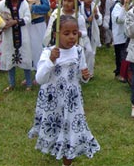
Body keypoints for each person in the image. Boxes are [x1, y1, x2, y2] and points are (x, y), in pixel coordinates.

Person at [28, 15, 100, 164]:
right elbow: (40, 78)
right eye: (66, 33)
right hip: (52, 99)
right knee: (55, 127)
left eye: (74, 33)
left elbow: (81, 76)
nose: (72, 37)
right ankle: (57, 147)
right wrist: (51, 61)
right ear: (56, 35)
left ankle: (68, 159)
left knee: (71, 130)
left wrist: (85, 76)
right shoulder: (49, 52)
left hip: (72, 100)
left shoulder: (79, 51)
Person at [0, 0, 34, 91]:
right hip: (9, 38)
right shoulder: (2, 5)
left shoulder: (23, 4)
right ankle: (12, 84)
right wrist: (1, 25)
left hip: (23, 37)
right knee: (10, 60)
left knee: (26, 60)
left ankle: (29, 83)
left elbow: (28, 19)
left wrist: (15, 21)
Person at [23, 0, 50, 72]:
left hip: (38, 25)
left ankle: (40, 71)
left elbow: (46, 7)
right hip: (26, 25)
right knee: (27, 47)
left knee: (38, 47)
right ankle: (29, 70)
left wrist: (33, 8)